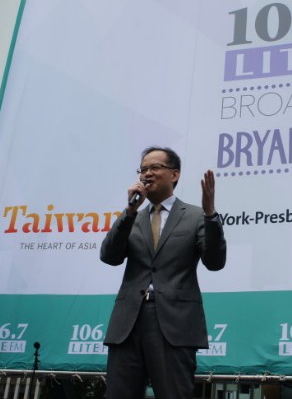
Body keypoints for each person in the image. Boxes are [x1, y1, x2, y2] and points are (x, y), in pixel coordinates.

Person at [100, 146, 227, 399]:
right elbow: (109, 256)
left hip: (175, 324)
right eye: (143, 169)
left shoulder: (196, 216)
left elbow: (214, 262)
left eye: (155, 167)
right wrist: (129, 211)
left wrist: (211, 215)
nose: (147, 173)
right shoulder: (132, 217)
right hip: (128, 323)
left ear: (174, 174)